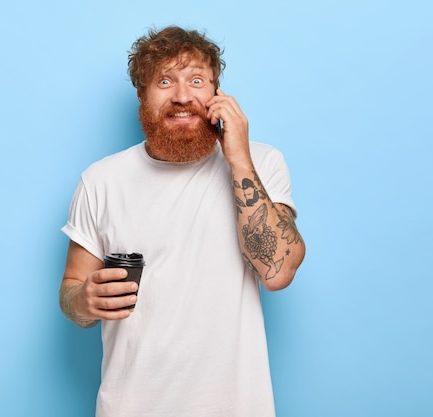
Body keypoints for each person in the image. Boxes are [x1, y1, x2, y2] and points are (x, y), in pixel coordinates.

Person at [59, 26, 305, 417]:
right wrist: (84, 301)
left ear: (216, 95)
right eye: (165, 81)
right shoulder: (101, 180)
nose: (183, 96)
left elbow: (277, 272)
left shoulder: (262, 162)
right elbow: (72, 290)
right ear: (143, 95)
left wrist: (239, 155)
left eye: (196, 80)